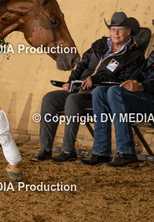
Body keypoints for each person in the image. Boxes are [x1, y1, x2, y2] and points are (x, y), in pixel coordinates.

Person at [81, 13, 154, 167]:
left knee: (115, 92)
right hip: (147, 97)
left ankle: (126, 153)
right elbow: (141, 72)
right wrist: (134, 80)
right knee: (100, 92)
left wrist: (142, 86)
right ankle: (100, 152)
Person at [32, 12, 144, 162]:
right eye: (113, 29)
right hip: (79, 89)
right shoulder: (99, 45)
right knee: (50, 99)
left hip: (100, 95)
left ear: (128, 31)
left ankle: (68, 150)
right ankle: (45, 149)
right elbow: (82, 64)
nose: (115, 33)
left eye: (120, 29)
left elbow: (123, 80)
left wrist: (95, 79)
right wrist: (71, 81)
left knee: (73, 100)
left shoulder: (133, 54)